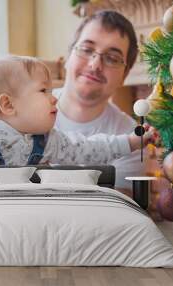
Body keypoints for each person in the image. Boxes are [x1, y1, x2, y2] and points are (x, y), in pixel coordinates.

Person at [0, 55, 151, 189]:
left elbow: (91, 149)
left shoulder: (50, 141)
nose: (54, 96)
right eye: (43, 90)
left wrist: (130, 141)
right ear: (8, 105)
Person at [53, 10, 144, 190]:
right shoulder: (23, 112)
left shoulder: (131, 137)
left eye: (112, 58)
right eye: (87, 50)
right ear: (68, 56)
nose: (95, 65)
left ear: (124, 76)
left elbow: (117, 208)